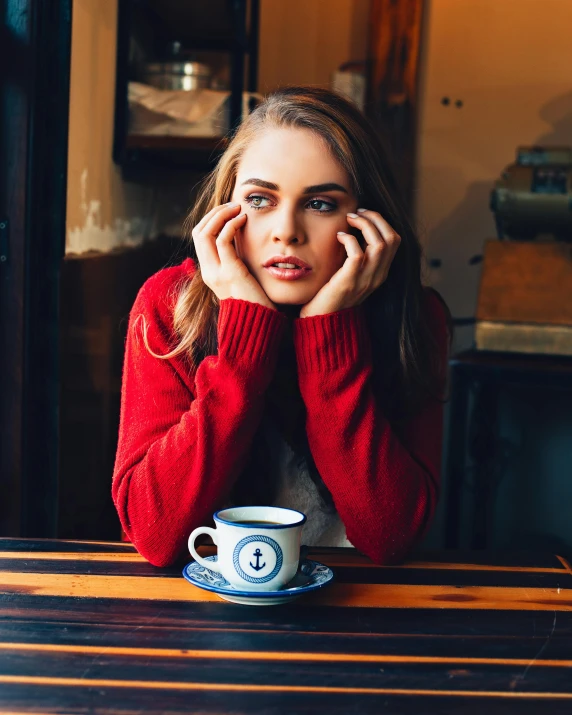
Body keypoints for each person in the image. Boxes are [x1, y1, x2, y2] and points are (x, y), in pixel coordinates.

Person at [112, 86, 451, 568]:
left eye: (320, 204)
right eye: (259, 199)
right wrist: (243, 345)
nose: (286, 230)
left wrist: (329, 332)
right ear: (225, 211)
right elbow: (155, 533)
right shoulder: (169, 305)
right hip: (203, 609)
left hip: (359, 610)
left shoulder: (414, 317)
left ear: (368, 220)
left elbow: (391, 535)